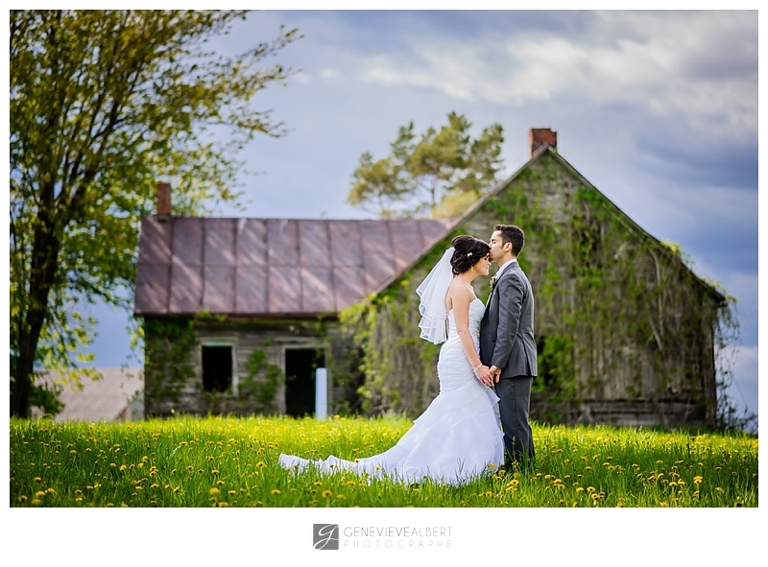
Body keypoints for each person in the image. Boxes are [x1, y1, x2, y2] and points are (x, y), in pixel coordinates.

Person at [278, 235, 504, 485]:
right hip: (462, 356)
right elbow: (461, 330)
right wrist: (477, 365)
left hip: (460, 352)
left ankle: (458, 461)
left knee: (459, 409)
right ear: (473, 260)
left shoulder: (465, 286)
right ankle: (452, 465)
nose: (489, 263)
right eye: (486, 258)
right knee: (462, 407)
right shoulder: (460, 288)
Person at [480, 224, 537, 470]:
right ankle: (527, 469)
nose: (488, 245)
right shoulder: (508, 275)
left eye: (493, 241)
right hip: (513, 361)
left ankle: (518, 473)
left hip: (513, 362)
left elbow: (508, 325)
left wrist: (497, 363)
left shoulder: (512, 277)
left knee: (514, 422)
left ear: (507, 246)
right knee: (516, 420)